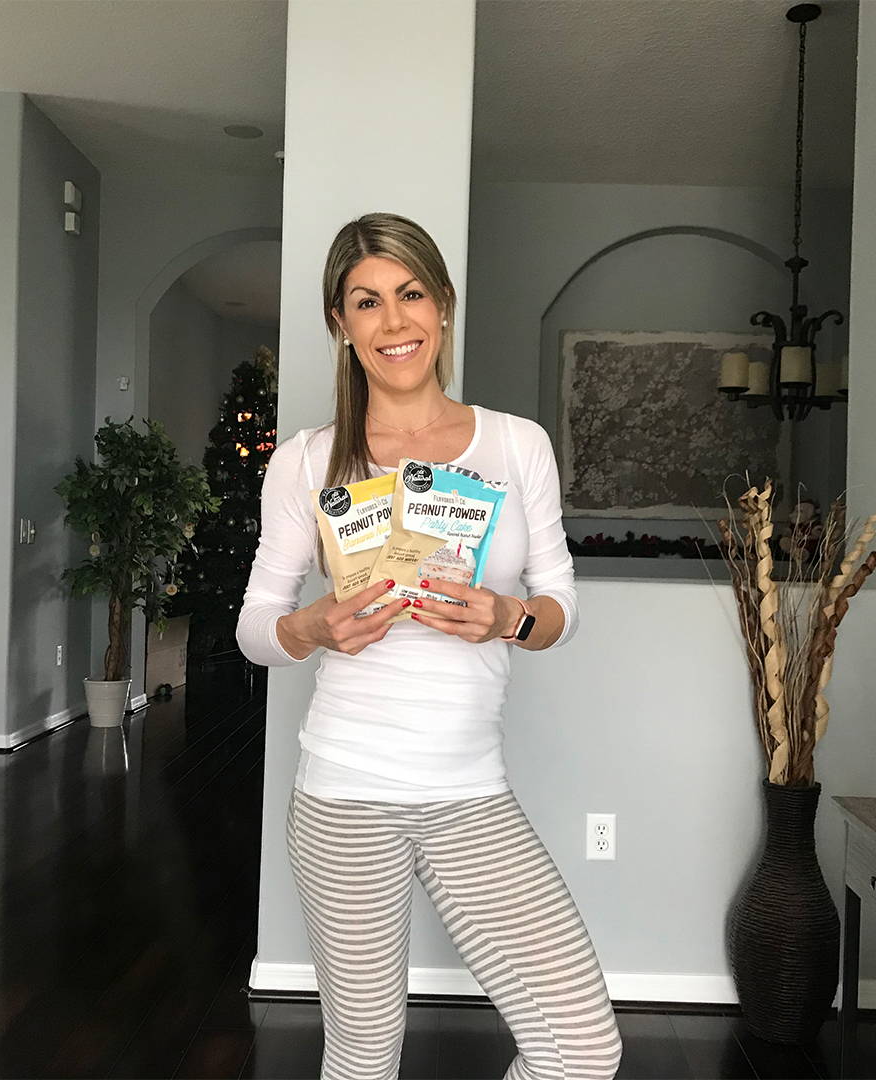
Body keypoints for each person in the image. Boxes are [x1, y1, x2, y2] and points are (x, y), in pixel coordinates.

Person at [236, 212, 623, 1080]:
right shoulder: (303, 461)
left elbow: (559, 600)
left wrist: (508, 619)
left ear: (443, 306)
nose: (393, 321)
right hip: (341, 800)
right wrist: (312, 626)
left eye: (410, 294)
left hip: (468, 798)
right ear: (340, 323)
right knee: (365, 1056)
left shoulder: (516, 445)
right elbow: (255, 625)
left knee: (581, 1049)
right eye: (365, 302)